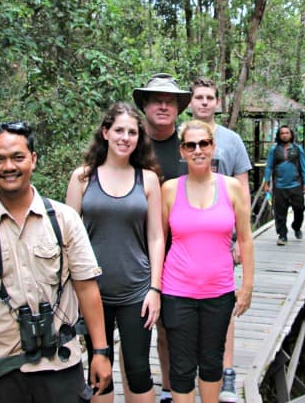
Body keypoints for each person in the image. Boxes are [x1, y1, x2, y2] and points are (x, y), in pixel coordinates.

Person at [0, 121, 111, 403]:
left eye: (18, 157)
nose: (8, 167)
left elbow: (87, 288)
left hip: (60, 364)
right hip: (2, 370)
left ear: (33, 160)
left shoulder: (64, 220)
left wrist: (100, 352)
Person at [65, 103, 165, 403]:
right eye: (119, 130)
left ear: (139, 138)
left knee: (138, 371)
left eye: (132, 132)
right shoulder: (82, 178)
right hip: (92, 292)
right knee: (99, 372)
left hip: (136, 290)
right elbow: (68, 237)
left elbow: (157, 236)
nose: (125, 137)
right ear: (105, 132)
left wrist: (155, 288)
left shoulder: (147, 179)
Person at [160, 120, 254, 403]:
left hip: (219, 291)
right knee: (181, 365)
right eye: (191, 145)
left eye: (204, 144)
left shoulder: (233, 187)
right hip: (177, 291)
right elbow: (157, 240)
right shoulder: (170, 190)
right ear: (182, 151)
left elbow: (246, 239)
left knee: (212, 362)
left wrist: (247, 285)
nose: (198, 150)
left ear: (213, 147)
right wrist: (152, 288)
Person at [188, 77, 251, 403]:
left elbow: (243, 190)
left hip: (221, 239)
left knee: (222, 308)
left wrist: (242, 240)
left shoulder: (231, 140)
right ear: (190, 102)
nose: (204, 102)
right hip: (184, 240)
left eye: (209, 97)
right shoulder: (181, 137)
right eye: (198, 97)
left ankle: (226, 373)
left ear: (218, 102)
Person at [132, 72, 192, 403]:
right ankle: (139, 390)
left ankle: (170, 389)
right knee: (138, 327)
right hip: (135, 250)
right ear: (145, 104)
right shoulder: (129, 143)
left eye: (170, 101)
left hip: (180, 254)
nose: (164, 106)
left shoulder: (189, 145)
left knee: (173, 328)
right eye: (157, 100)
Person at [262, 125, 305, 245]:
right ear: (279, 135)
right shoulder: (274, 150)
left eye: (287, 133)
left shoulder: (298, 149)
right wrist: (266, 182)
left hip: (296, 185)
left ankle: (296, 226)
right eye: (282, 133)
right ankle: (282, 235)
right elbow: (269, 166)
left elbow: (304, 167)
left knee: (300, 209)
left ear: (291, 134)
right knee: (280, 212)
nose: (284, 135)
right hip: (280, 186)